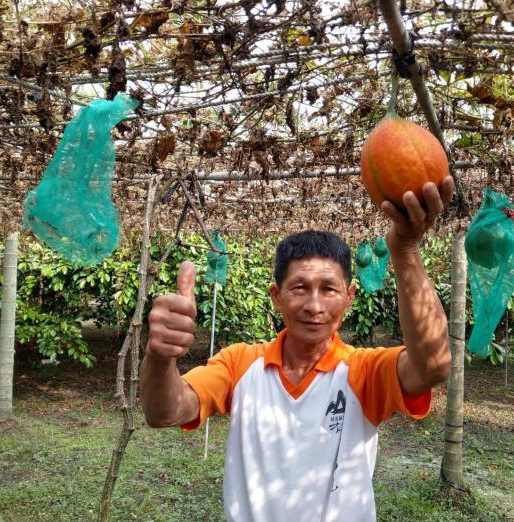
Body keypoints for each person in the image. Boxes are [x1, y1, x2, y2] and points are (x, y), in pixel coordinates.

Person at [140, 177, 455, 522]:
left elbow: (433, 365)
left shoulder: (363, 372)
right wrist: (160, 357)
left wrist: (406, 250)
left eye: (329, 290)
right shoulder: (240, 364)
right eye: (300, 288)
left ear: (349, 298)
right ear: (277, 296)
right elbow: (165, 412)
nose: (314, 306)